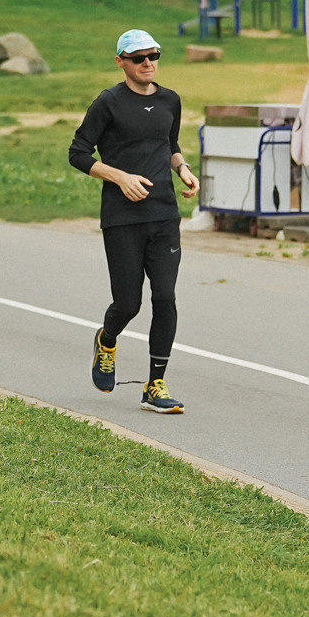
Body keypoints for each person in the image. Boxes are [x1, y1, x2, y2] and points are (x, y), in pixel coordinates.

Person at [70, 29, 198, 414]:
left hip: (164, 214)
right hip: (123, 217)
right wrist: (120, 177)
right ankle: (107, 340)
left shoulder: (170, 100)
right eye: (139, 57)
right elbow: (78, 153)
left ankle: (155, 385)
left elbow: (169, 144)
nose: (148, 63)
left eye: (154, 55)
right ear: (121, 61)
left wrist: (183, 169)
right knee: (128, 303)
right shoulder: (108, 103)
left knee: (165, 297)